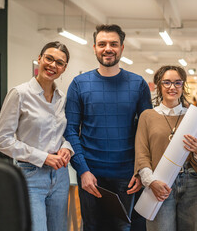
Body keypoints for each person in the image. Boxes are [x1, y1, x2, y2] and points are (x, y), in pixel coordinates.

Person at [64, 24, 152, 231]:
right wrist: (83, 170)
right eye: (102, 44)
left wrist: (141, 171)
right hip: (91, 176)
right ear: (94, 48)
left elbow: (146, 132)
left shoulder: (138, 84)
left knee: (123, 228)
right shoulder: (79, 84)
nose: (108, 48)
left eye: (113, 44)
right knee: (92, 227)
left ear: (122, 48)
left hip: (127, 176)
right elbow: (70, 131)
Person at [0, 41, 73, 231]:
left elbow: (62, 133)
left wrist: (66, 147)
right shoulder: (19, 94)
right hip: (31, 174)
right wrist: (43, 157)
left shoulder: (62, 98)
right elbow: (0, 139)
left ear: (64, 68)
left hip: (60, 176)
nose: (53, 65)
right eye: (49, 58)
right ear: (40, 59)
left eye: (59, 63)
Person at [135, 65, 197, 231]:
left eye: (177, 83)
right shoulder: (147, 116)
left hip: (191, 183)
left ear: (183, 86)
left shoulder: (193, 117)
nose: (172, 87)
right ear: (159, 85)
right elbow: (142, 153)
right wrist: (151, 181)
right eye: (166, 82)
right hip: (161, 183)